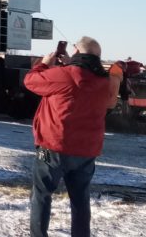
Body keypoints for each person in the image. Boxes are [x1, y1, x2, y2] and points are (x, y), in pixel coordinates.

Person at [24, 36, 111, 237]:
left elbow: (30, 81)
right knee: (80, 200)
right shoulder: (103, 81)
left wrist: (44, 64)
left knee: (41, 195)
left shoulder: (64, 75)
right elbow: (80, 83)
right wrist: (68, 65)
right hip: (87, 151)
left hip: (54, 147)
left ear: (77, 52)